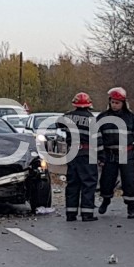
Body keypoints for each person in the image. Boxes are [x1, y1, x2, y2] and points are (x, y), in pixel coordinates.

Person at [58, 92, 102, 222]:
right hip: (88, 154)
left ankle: (70, 214)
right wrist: (102, 157)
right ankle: (87, 214)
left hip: (73, 154)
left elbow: (58, 125)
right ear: (88, 105)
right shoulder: (91, 119)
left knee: (72, 184)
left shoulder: (67, 117)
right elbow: (98, 140)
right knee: (88, 184)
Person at [96, 87, 134, 218]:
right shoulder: (102, 117)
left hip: (127, 153)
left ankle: (130, 207)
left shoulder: (131, 117)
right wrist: (100, 155)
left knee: (129, 181)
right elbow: (97, 137)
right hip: (109, 154)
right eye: (112, 102)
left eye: (117, 103)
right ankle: (106, 200)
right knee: (107, 180)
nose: (114, 105)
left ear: (123, 103)